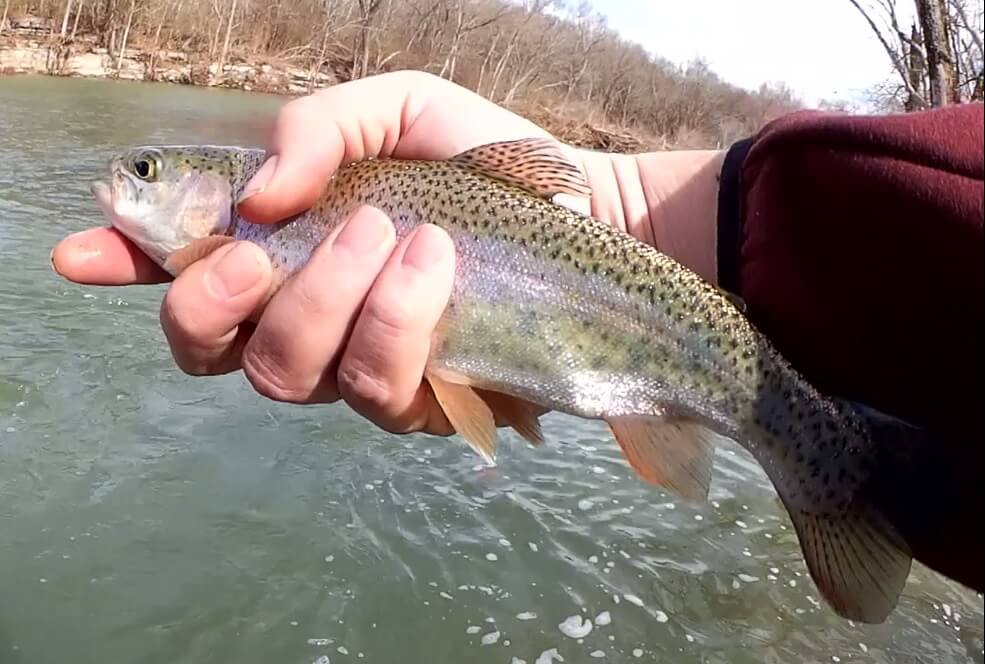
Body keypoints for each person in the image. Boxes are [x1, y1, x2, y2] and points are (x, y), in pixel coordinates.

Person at [50, 70, 983, 595]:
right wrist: (640, 212)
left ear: (212, 191)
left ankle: (851, 462)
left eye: (145, 171)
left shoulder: (254, 208)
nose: (127, 183)